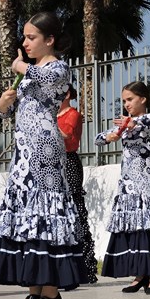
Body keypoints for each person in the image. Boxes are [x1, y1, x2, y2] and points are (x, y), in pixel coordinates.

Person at [0, 11, 87, 299]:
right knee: (29, 219)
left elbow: (45, 79)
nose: (25, 42)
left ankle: (51, 294)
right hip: (23, 153)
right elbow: (8, 110)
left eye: (32, 37)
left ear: (50, 40)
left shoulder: (57, 67)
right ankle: (34, 291)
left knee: (44, 216)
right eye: (25, 37)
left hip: (45, 150)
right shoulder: (29, 72)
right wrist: (3, 104)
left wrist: (20, 66)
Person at [96, 81, 150, 295]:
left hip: (144, 178)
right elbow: (98, 140)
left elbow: (145, 125)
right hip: (126, 181)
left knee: (147, 225)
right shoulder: (124, 123)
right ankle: (139, 275)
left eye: (130, 99)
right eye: (124, 101)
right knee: (132, 226)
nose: (126, 104)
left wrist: (130, 125)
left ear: (143, 98)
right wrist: (110, 136)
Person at [57, 84, 97, 283]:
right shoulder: (52, 115)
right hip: (53, 163)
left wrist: (47, 123)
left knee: (75, 210)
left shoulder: (73, 114)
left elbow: (66, 135)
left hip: (69, 162)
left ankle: (85, 267)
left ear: (66, 94)